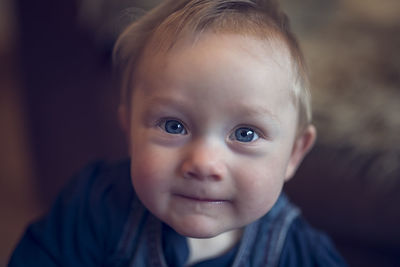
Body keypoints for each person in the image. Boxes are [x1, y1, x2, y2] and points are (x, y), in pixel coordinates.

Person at [9, 0, 347, 266]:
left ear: (294, 154)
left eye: (245, 133)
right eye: (174, 126)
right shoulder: (96, 205)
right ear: (130, 131)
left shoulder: (300, 254)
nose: (203, 163)